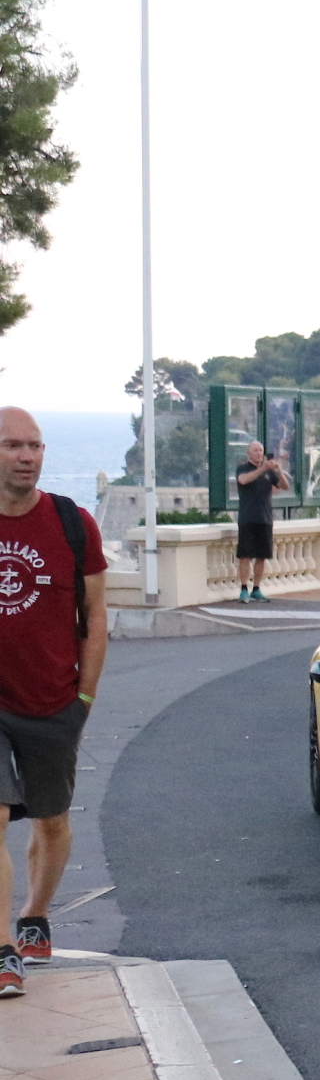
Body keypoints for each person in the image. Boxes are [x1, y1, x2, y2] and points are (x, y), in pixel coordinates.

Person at [0, 408, 108, 997]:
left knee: (52, 820)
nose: (27, 456)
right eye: (14, 445)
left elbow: (96, 617)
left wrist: (84, 696)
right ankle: (2, 951)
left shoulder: (72, 523)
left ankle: (34, 915)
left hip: (52, 697)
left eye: (35, 446)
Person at [233, 440, 285, 603]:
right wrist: (263, 468)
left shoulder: (269, 473)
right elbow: (243, 480)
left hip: (265, 518)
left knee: (261, 555)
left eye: (261, 450)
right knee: (245, 555)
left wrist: (279, 471)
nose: (258, 453)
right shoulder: (243, 469)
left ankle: (256, 588)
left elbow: (284, 486)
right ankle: (243, 588)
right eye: (255, 450)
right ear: (249, 453)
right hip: (248, 518)